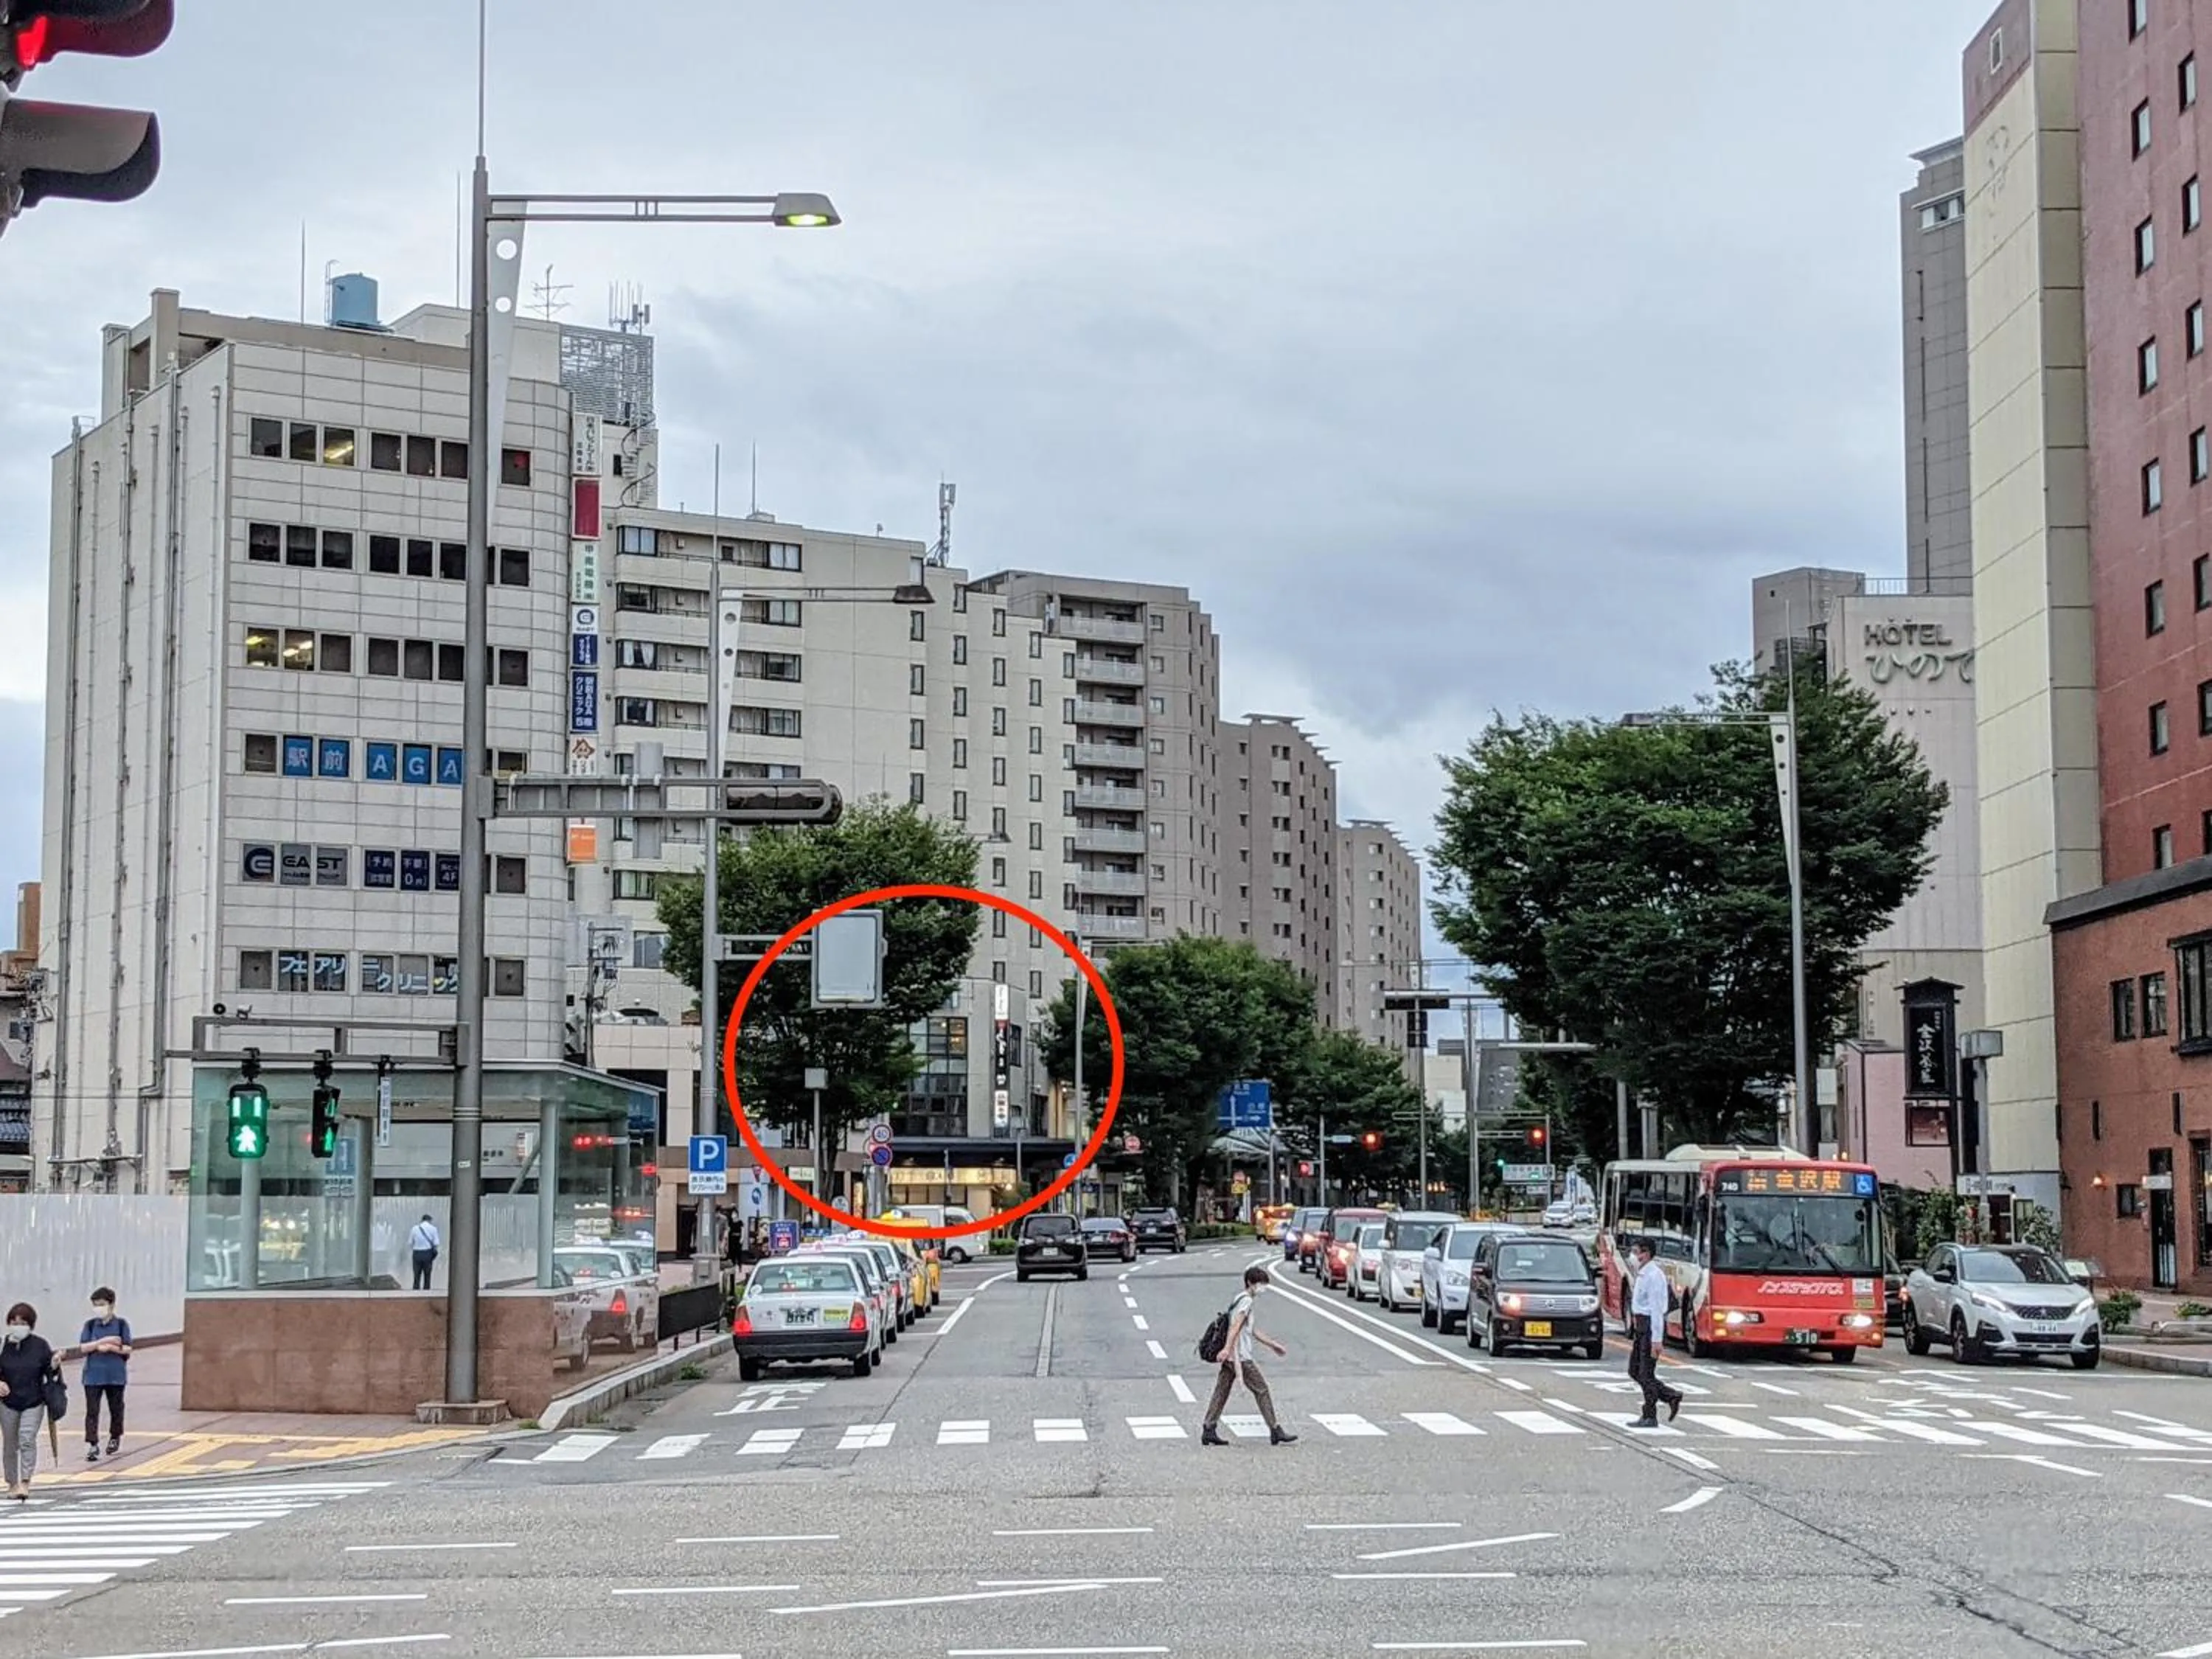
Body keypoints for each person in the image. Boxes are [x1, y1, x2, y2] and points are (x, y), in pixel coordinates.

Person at [1200, 1265, 1297, 1447]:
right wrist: (1227, 1349)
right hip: (1240, 1356)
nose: (1262, 1287)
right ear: (1250, 1283)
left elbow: (1251, 1330)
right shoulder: (1246, 1301)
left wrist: (1272, 1345)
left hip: (1233, 1355)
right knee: (1261, 1389)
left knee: (1222, 1391)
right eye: (1259, 1284)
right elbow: (1235, 1327)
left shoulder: (1239, 1299)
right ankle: (1275, 1429)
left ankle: (1209, 1428)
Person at [1, 1301, 57, 1500]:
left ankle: (25, 1482)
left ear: (31, 1325)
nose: (18, 1326)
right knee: (10, 1443)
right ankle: (12, 1483)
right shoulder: (3, 1345)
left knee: (27, 1439)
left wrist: (55, 1364)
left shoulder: (40, 1346)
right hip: (7, 1402)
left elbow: (49, 1372)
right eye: (14, 1322)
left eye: (23, 1323)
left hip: (34, 1401)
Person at [1626, 1238, 1683, 1427]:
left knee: (1645, 1373)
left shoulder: (1654, 1276)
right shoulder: (1643, 1274)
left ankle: (1650, 1415)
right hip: (1642, 1326)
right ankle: (1670, 1396)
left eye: (1637, 1252)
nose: (1634, 1256)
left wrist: (1657, 1340)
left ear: (1647, 1254)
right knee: (1634, 1370)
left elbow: (1657, 1310)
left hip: (1651, 1327)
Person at [80, 1286, 132, 1463]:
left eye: (102, 1304)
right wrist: (104, 1341)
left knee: (116, 1408)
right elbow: (83, 1347)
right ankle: (92, 1444)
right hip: (93, 1376)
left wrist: (110, 1348)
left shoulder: (121, 1324)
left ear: (111, 1305)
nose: (98, 1308)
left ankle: (115, 1436)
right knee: (92, 1411)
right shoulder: (90, 1325)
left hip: (115, 1375)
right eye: (96, 1305)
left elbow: (127, 1348)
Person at [409, 1214, 441, 1290]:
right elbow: (436, 1243)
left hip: (417, 1253)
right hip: (427, 1253)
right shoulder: (433, 1229)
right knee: (427, 1274)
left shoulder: (414, 1228)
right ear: (430, 1220)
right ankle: (426, 1289)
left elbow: (410, 1242)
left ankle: (416, 1289)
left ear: (422, 1220)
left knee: (417, 1274)